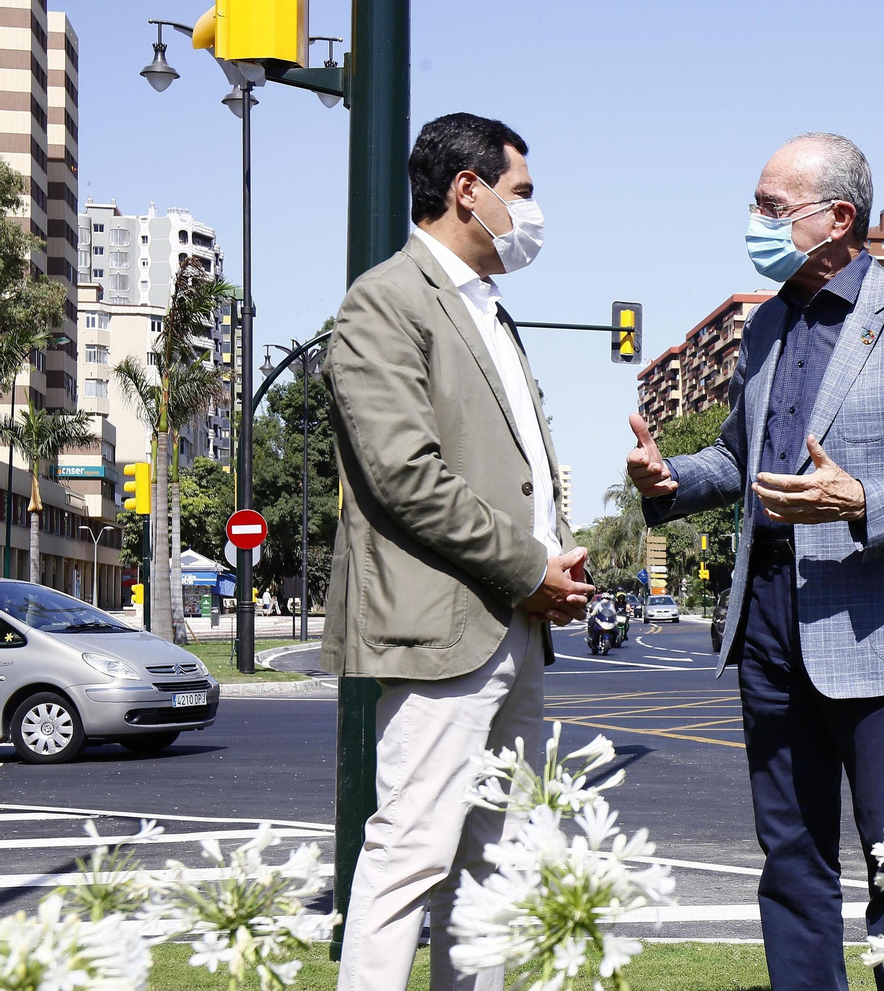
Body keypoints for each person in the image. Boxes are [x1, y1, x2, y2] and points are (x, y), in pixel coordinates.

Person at [625, 133, 884, 991]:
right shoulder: (766, 324)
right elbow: (739, 457)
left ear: (837, 217)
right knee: (790, 854)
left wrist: (861, 498)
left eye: (770, 206)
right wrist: (669, 477)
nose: (754, 221)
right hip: (768, 622)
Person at [321, 112, 593, 991]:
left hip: (518, 623)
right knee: (411, 853)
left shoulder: (493, 314)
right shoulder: (385, 301)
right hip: (444, 628)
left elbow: (512, 468)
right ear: (467, 191)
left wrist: (555, 557)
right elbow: (406, 475)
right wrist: (529, 566)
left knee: (495, 860)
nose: (533, 212)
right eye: (523, 191)